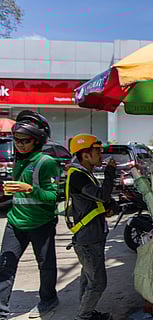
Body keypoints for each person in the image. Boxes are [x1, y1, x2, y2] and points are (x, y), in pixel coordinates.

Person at [0, 111, 59, 319]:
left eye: (25, 141)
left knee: (45, 265)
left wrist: (29, 189)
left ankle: (48, 299)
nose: (20, 145)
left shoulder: (46, 162)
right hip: (16, 222)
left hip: (41, 223)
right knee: (5, 265)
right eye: (17, 140)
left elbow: (53, 196)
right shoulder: (19, 161)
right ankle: (1, 309)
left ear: (37, 140)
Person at [66, 134, 117, 320]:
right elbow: (102, 195)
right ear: (85, 155)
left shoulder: (85, 175)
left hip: (91, 236)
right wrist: (111, 172)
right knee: (97, 283)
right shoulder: (78, 176)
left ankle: (87, 313)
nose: (101, 155)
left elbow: (96, 202)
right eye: (97, 151)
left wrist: (109, 208)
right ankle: (83, 316)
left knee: (88, 279)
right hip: (87, 239)